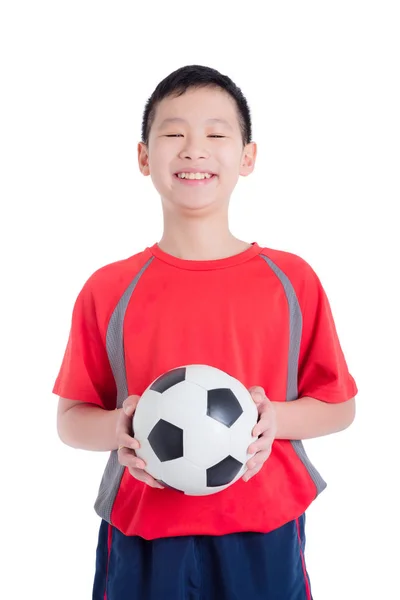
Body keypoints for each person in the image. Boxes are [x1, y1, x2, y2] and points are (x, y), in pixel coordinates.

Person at [53, 65, 357, 600]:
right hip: (145, 529)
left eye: (216, 134)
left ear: (247, 157)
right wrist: (119, 430)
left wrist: (274, 419)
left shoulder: (291, 280)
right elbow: (72, 422)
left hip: (263, 527)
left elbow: (339, 406)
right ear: (144, 157)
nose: (194, 149)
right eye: (174, 133)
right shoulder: (109, 288)